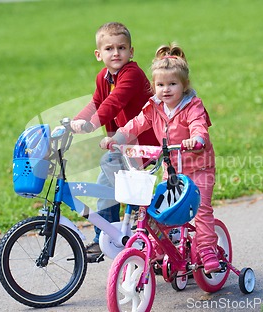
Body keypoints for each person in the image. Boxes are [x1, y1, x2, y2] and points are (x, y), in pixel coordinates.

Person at [99, 43, 220, 273]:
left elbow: (199, 126)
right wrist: (118, 137)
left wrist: (196, 139)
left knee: (202, 209)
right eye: (160, 84)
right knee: (161, 210)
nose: (166, 90)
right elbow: (136, 124)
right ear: (154, 86)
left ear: (184, 86)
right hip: (172, 168)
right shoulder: (154, 106)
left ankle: (207, 249)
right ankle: (159, 247)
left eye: (172, 84)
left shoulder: (193, 106)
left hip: (199, 167)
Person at [70, 22, 158, 261]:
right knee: (104, 189)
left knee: (119, 181)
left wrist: (91, 125)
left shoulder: (132, 74)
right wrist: (75, 122)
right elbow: (97, 103)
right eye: (109, 48)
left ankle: (147, 221)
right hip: (121, 145)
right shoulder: (103, 77)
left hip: (143, 142)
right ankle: (104, 237)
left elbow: (114, 102)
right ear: (99, 55)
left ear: (131, 52)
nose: (116, 53)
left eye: (121, 47)